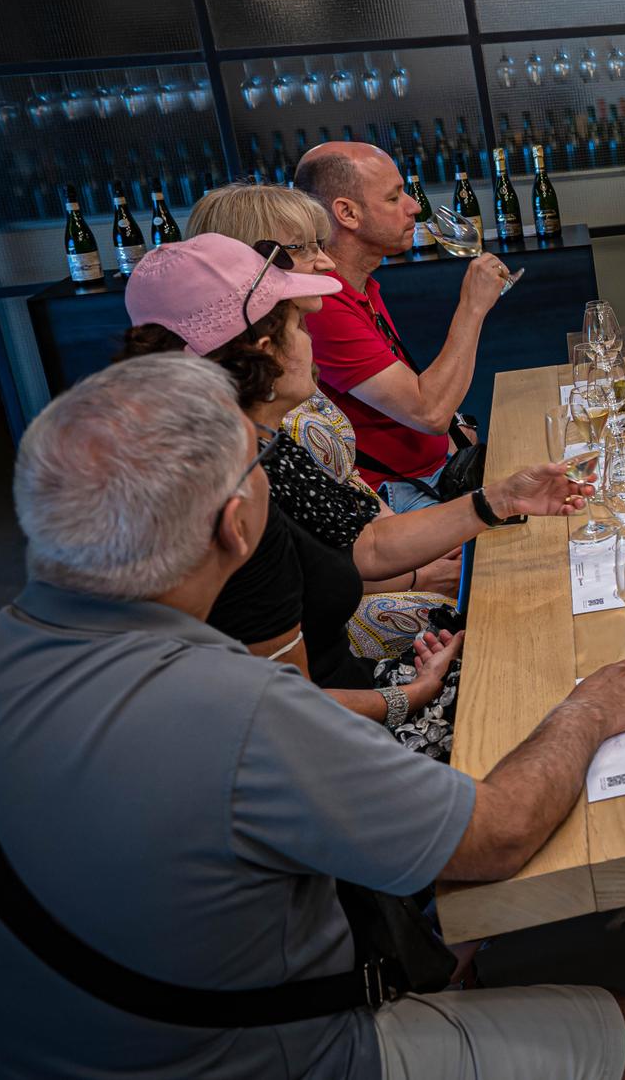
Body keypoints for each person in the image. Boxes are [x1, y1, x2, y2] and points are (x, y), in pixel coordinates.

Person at [0, 353, 625, 1077]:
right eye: (258, 464)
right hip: (263, 1053)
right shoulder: (237, 706)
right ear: (235, 525)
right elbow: (500, 833)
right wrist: (587, 706)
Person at [120, 235, 584, 761]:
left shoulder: (263, 442)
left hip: (358, 692)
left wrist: (498, 499)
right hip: (339, 739)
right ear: (266, 353)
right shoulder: (231, 498)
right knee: (553, 699)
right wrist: (411, 694)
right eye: (298, 324)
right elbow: (286, 712)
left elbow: (367, 547)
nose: (311, 335)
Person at [187, 180, 454, 659]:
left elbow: (350, 505)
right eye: (306, 247)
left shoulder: (288, 351)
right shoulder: (253, 401)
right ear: (250, 261)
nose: (327, 259)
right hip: (344, 609)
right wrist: (422, 571)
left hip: (380, 546)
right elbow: (314, 570)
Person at [295, 140, 508, 512]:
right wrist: (473, 307)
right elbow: (430, 412)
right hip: (399, 496)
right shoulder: (322, 305)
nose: (414, 206)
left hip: (433, 472)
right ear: (346, 213)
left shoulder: (359, 284)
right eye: (394, 198)